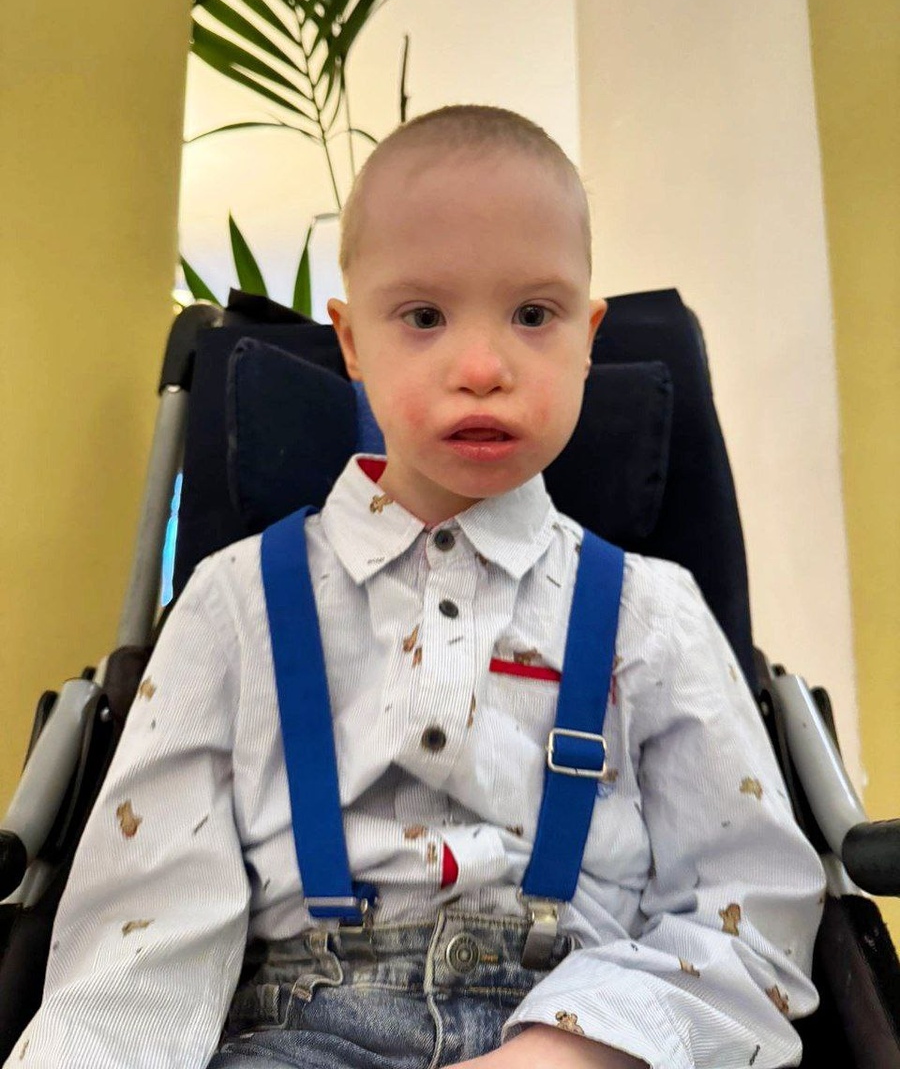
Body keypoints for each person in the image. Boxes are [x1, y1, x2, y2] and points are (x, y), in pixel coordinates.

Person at [7, 106, 825, 1069]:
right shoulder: (234, 605)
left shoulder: (654, 615)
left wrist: (574, 1050)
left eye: (534, 315)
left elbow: (752, 911)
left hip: (586, 1028)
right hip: (295, 1035)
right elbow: (142, 939)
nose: (482, 368)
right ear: (353, 342)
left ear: (588, 338)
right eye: (425, 318)